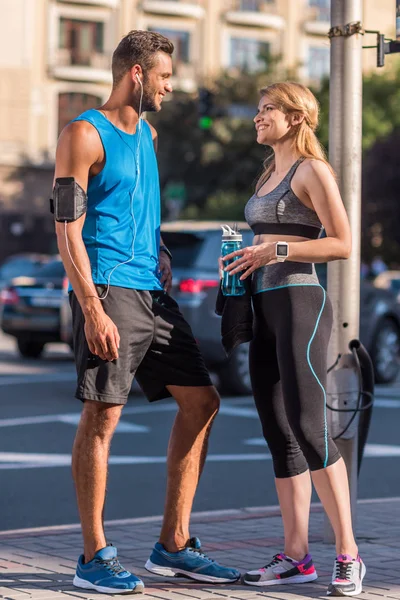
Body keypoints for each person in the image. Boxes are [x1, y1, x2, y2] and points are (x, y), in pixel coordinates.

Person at [53, 30, 240, 595]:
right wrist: (91, 307)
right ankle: (94, 556)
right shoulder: (83, 134)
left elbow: (143, 209)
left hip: (154, 294)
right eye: (164, 76)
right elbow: (67, 226)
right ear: (137, 73)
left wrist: (158, 252)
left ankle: (174, 545)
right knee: (102, 418)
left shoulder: (149, 135)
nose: (170, 86)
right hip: (107, 290)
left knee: (202, 402)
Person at [223, 82, 366, 597]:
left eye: (268, 109)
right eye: (259, 108)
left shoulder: (312, 170)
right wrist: (244, 259)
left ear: (297, 117)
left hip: (302, 303)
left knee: (310, 426)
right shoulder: (269, 174)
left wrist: (275, 248)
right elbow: (263, 242)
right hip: (263, 306)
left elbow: (343, 241)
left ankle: (348, 553)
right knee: (278, 433)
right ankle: (297, 555)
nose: (258, 116)